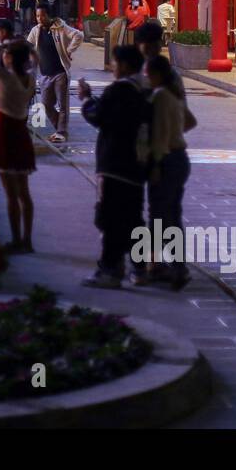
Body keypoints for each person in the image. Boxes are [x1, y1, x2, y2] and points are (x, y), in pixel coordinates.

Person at [78, 45, 149, 288]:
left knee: (109, 218)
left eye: (115, 63)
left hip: (114, 163)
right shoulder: (144, 90)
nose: (112, 67)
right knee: (133, 217)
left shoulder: (118, 90)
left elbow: (98, 117)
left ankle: (110, 269)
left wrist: (86, 99)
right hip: (137, 165)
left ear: (126, 65)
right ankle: (140, 267)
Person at [0, 39, 37, 254]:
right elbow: (35, 59)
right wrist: (27, 48)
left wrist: (3, 45)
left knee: (11, 194)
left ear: (9, 57)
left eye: (6, 54)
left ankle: (15, 239)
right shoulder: (30, 79)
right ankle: (27, 240)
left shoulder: (6, 77)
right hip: (21, 132)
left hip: (5, 131)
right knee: (24, 193)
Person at [142, 54, 192, 290]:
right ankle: (178, 266)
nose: (146, 77)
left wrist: (154, 166)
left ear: (158, 75)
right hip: (180, 158)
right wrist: (176, 131)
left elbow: (159, 137)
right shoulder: (175, 94)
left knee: (158, 215)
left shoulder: (160, 96)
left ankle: (153, 263)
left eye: (148, 74)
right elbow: (190, 122)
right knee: (172, 214)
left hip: (166, 159)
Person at [26, 5, 84, 144]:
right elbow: (27, 45)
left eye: (43, 15)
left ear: (49, 15)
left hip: (60, 73)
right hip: (45, 74)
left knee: (62, 104)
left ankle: (61, 132)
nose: (40, 18)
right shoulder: (36, 30)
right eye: (38, 16)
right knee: (46, 104)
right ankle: (60, 128)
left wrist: (69, 50)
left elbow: (79, 35)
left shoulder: (61, 27)